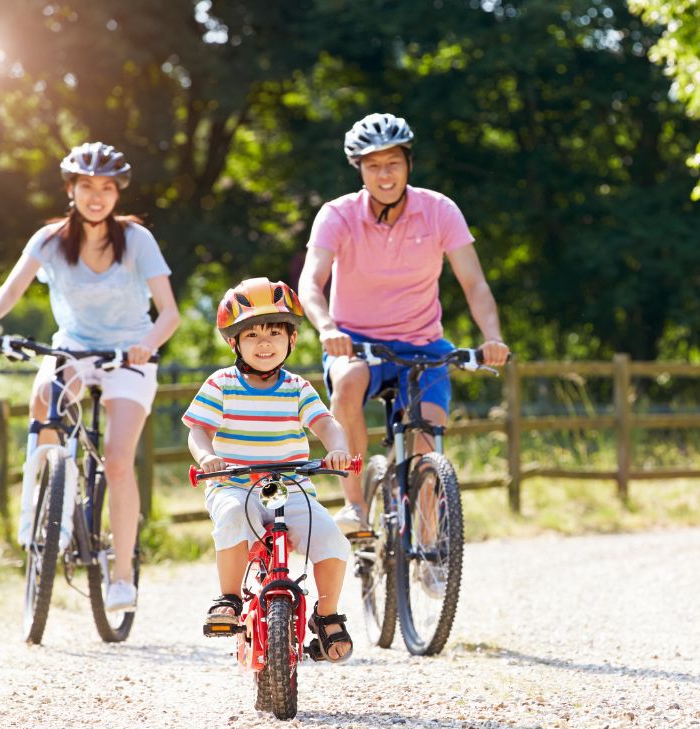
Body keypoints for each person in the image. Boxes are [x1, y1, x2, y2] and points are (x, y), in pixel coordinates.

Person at [0, 141, 180, 614]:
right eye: (87, 186)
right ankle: (49, 510)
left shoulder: (137, 240)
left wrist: (148, 343)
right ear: (71, 189)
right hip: (75, 348)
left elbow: (169, 313)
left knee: (118, 460)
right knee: (45, 392)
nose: (97, 196)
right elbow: (11, 289)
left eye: (107, 187)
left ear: (117, 193)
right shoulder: (49, 240)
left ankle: (122, 574)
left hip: (130, 353)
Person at [298, 112, 511, 533]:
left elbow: (475, 283)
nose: (385, 174)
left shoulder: (439, 211)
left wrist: (493, 337)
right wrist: (326, 327)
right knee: (348, 382)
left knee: (428, 435)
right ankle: (355, 504)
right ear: (359, 168)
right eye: (373, 165)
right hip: (355, 342)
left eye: (393, 162)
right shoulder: (337, 215)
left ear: (408, 163)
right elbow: (310, 282)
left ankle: (430, 540)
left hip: (424, 344)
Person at [182, 277, 354, 663]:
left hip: (291, 485)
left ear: (292, 340)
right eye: (252, 334)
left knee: (331, 539)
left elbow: (325, 424)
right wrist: (208, 457)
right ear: (234, 343)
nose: (264, 343)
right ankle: (227, 597)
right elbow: (198, 430)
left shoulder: (297, 387)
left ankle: (327, 615)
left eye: (275, 332)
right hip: (235, 483)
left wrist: (338, 449)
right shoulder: (221, 384)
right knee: (229, 518)